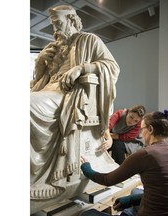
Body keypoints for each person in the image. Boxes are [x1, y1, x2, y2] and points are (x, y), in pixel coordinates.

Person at [30, 5, 120, 199]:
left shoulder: (89, 40)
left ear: (71, 21)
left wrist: (82, 68)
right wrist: (39, 62)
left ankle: (41, 174)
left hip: (66, 94)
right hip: (47, 90)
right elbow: (39, 81)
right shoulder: (51, 47)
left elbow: (112, 67)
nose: (55, 30)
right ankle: (33, 173)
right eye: (53, 25)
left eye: (58, 24)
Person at [80, 110, 168, 216]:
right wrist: (132, 200)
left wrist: (87, 169)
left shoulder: (146, 154)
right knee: (136, 192)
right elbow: (165, 192)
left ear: (150, 129)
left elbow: (107, 180)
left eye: (142, 129)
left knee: (89, 214)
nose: (141, 134)